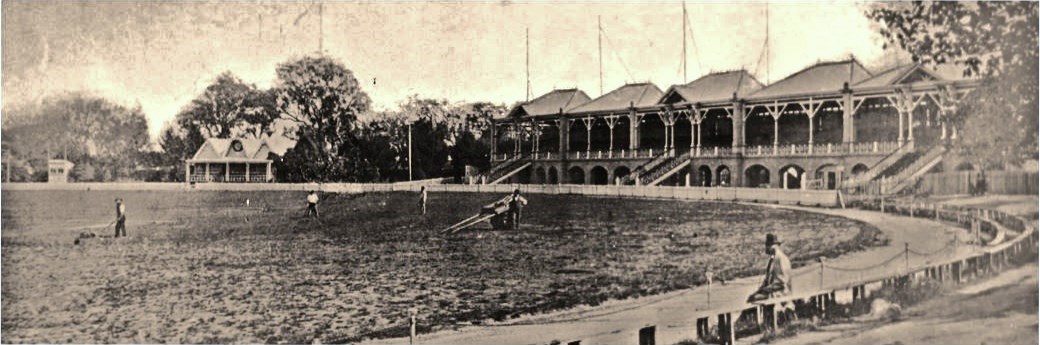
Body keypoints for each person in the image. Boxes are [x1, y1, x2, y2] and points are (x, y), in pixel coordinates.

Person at [747, 233, 791, 303]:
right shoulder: (774, 258)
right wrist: (760, 290)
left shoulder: (779, 258)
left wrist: (764, 290)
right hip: (773, 291)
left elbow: (781, 284)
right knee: (752, 297)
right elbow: (768, 281)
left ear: (772, 246)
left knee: (753, 299)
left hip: (780, 294)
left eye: (767, 245)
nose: (766, 248)